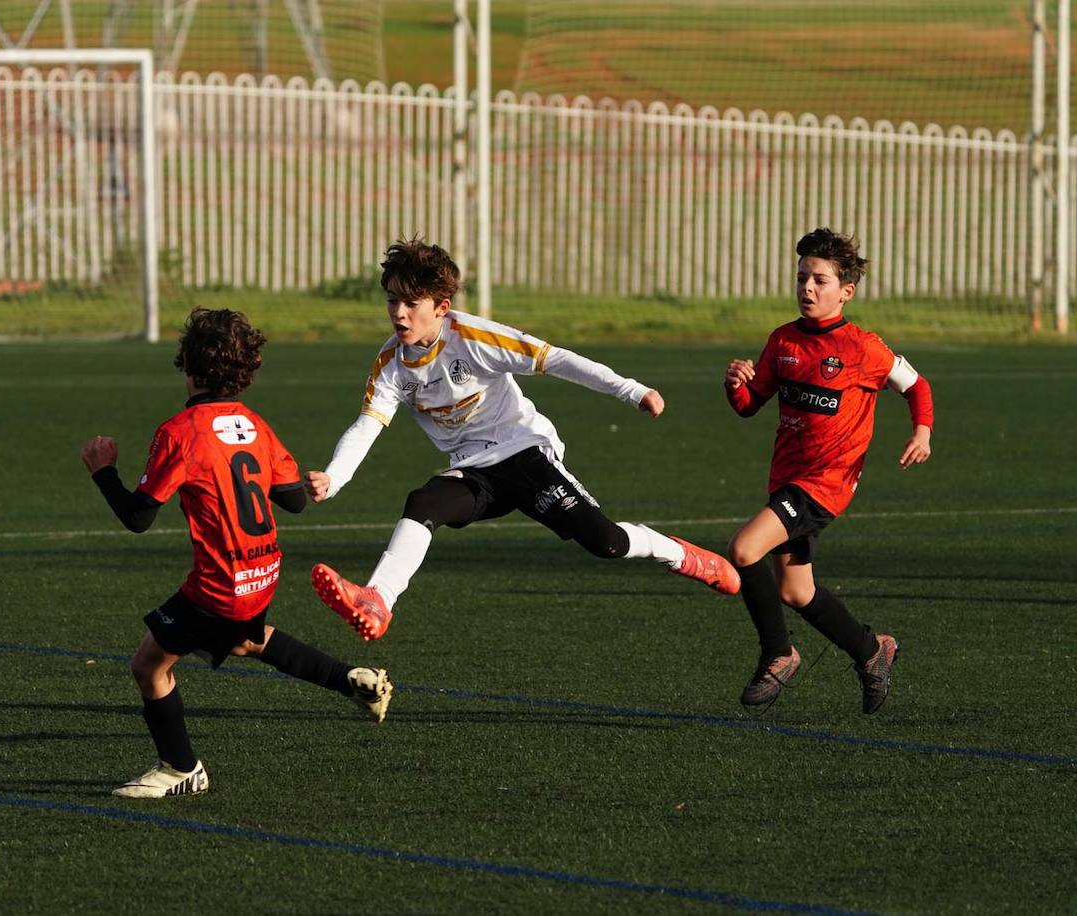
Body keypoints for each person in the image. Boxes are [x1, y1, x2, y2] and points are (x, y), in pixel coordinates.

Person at [303, 237, 740, 642]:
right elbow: (368, 424)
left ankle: (680, 554)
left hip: (525, 453)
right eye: (392, 301)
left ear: (441, 307)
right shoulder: (392, 365)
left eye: (411, 303)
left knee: (606, 543)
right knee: (424, 502)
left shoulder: (474, 338)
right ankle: (377, 600)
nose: (399, 313)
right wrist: (335, 476)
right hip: (475, 470)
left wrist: (631, 390)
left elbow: (557, 360)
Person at [81, 307, 393, 799]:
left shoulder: (179, 431)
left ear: (186, 362)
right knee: (247, 640)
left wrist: (103, 471)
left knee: (149, 666)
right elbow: (292, 499)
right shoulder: (253, 422)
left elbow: (139, 518)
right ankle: (352, 679)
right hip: (263, 569)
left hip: (221, 583)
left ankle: (181, 768)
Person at [724, 228, 934, 714]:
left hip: (826, 483)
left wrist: (921, 432)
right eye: (802, 278)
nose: (808, 288)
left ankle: (778, 654)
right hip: (787, 478)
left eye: (820, 279)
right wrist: (736, 384)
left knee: (743, 548)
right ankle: (871, 651)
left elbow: (916, 386)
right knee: (796, 591)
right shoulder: (783, 341)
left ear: (846, 291)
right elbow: (749, 406)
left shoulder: (864, 347)